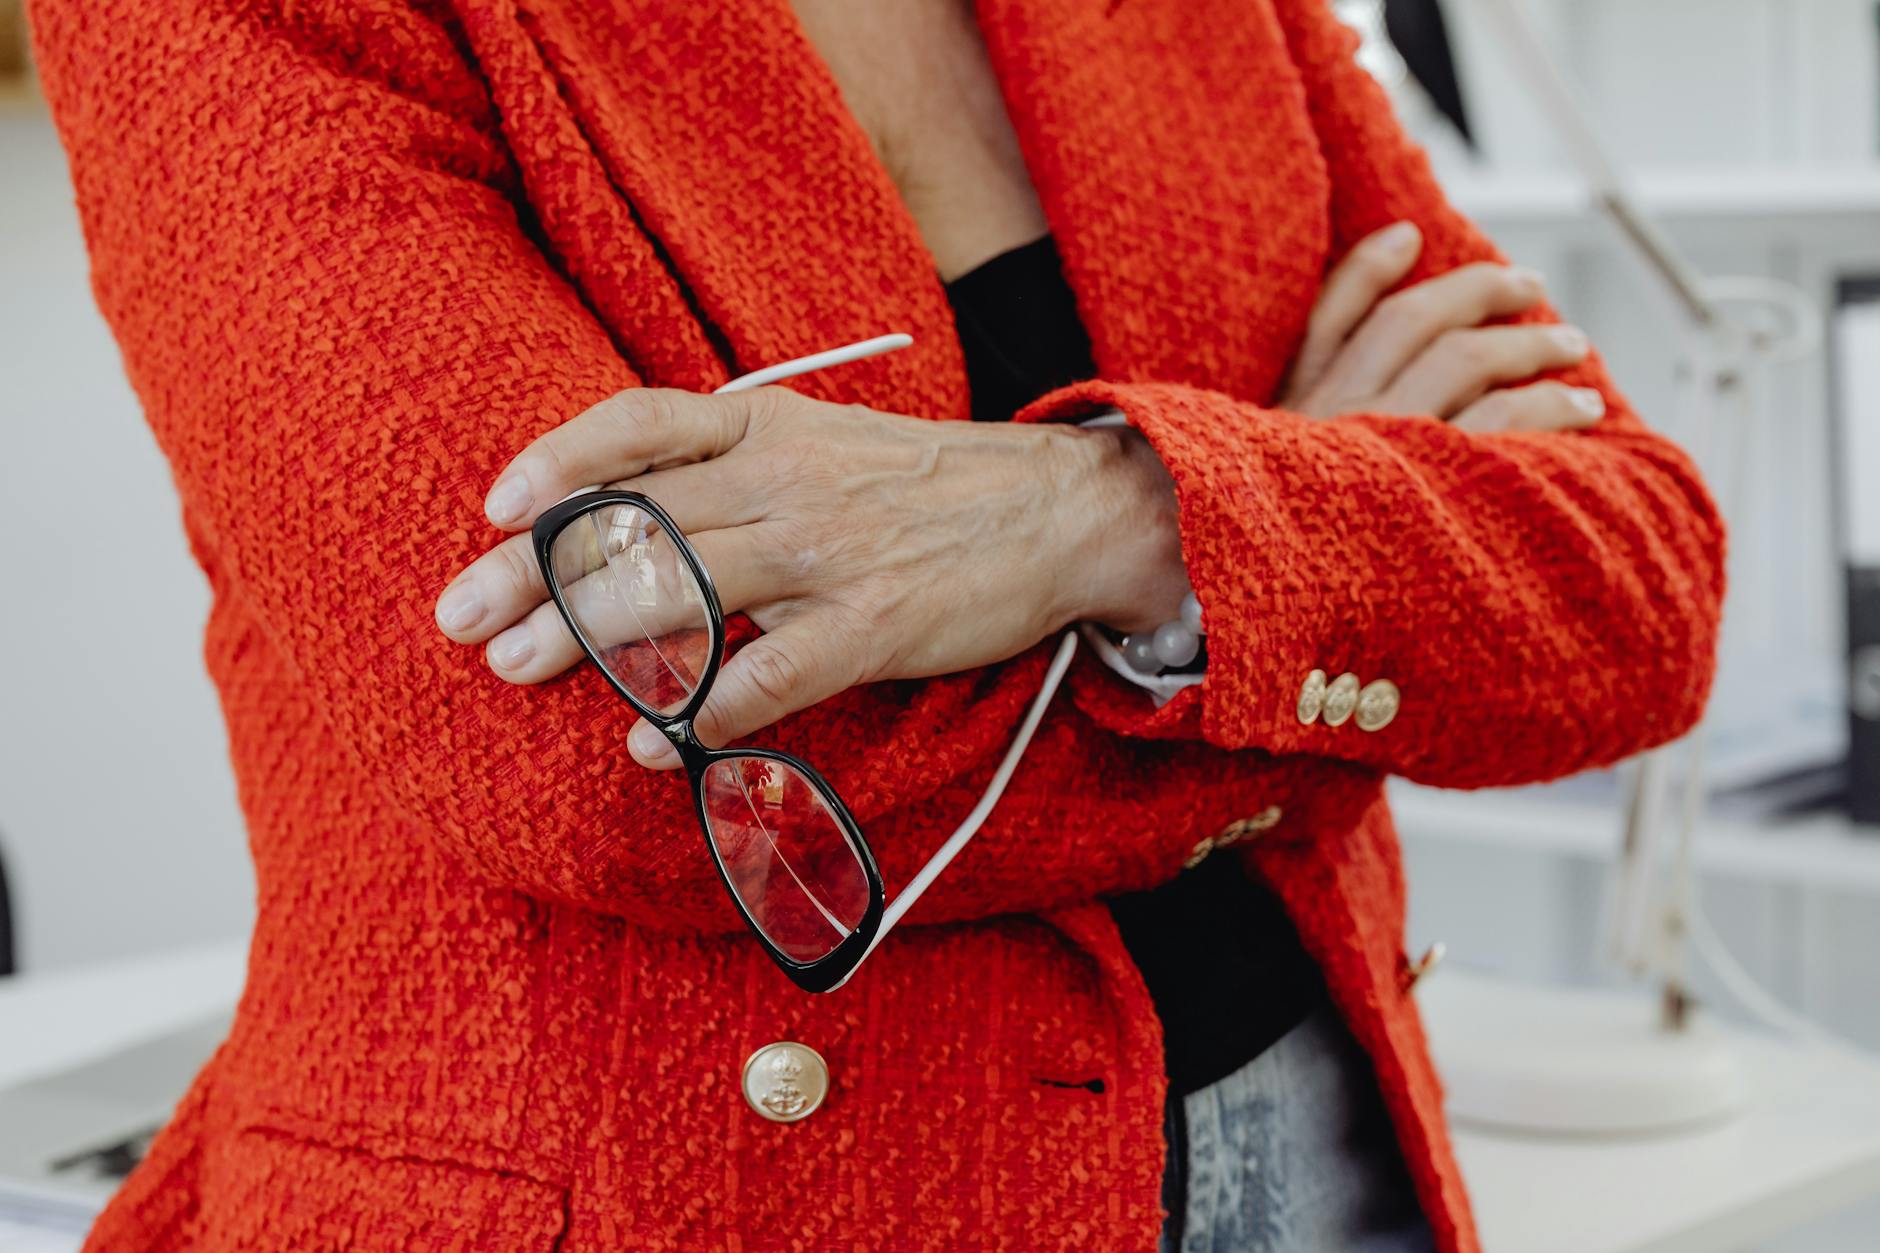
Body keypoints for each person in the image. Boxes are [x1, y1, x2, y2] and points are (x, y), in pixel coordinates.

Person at [31, 0, 1724, 1248]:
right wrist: (1287, 594)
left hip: (1322, 1162)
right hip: (671, 1205)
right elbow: (630, 769)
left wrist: (1112, 511)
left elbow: (1640, 579)